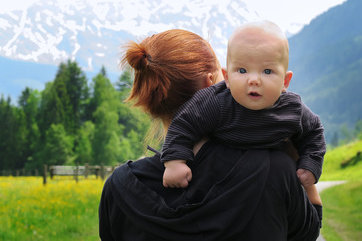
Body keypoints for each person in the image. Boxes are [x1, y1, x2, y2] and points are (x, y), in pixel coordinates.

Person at [99, 29, 322, 240]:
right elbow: (308, 232)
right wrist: (299, 165)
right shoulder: (275, 169)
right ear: (209, 85)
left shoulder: (119, 187)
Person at [161, 21, 326, 205]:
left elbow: (314, 132)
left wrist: (311, 163)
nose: (254, 80)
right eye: (242, 70)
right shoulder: (216, 102)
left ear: (285, 81)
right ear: (227, 77)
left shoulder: (292, 108)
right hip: (224, 183)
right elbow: (184, 123)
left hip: (271, 187)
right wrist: (175, 162)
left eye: (267, 71)